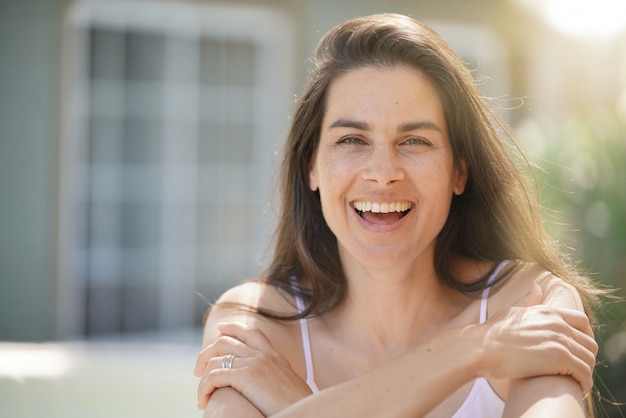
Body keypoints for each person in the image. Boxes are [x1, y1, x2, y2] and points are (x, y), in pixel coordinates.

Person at [193, 13, 602, 417]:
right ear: (311, 167)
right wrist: (473, 349)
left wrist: (295, 406)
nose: (384, 173)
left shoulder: (531, 306)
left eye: (415, 141)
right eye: (352, 139)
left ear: (459, 170)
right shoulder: (252, 330)